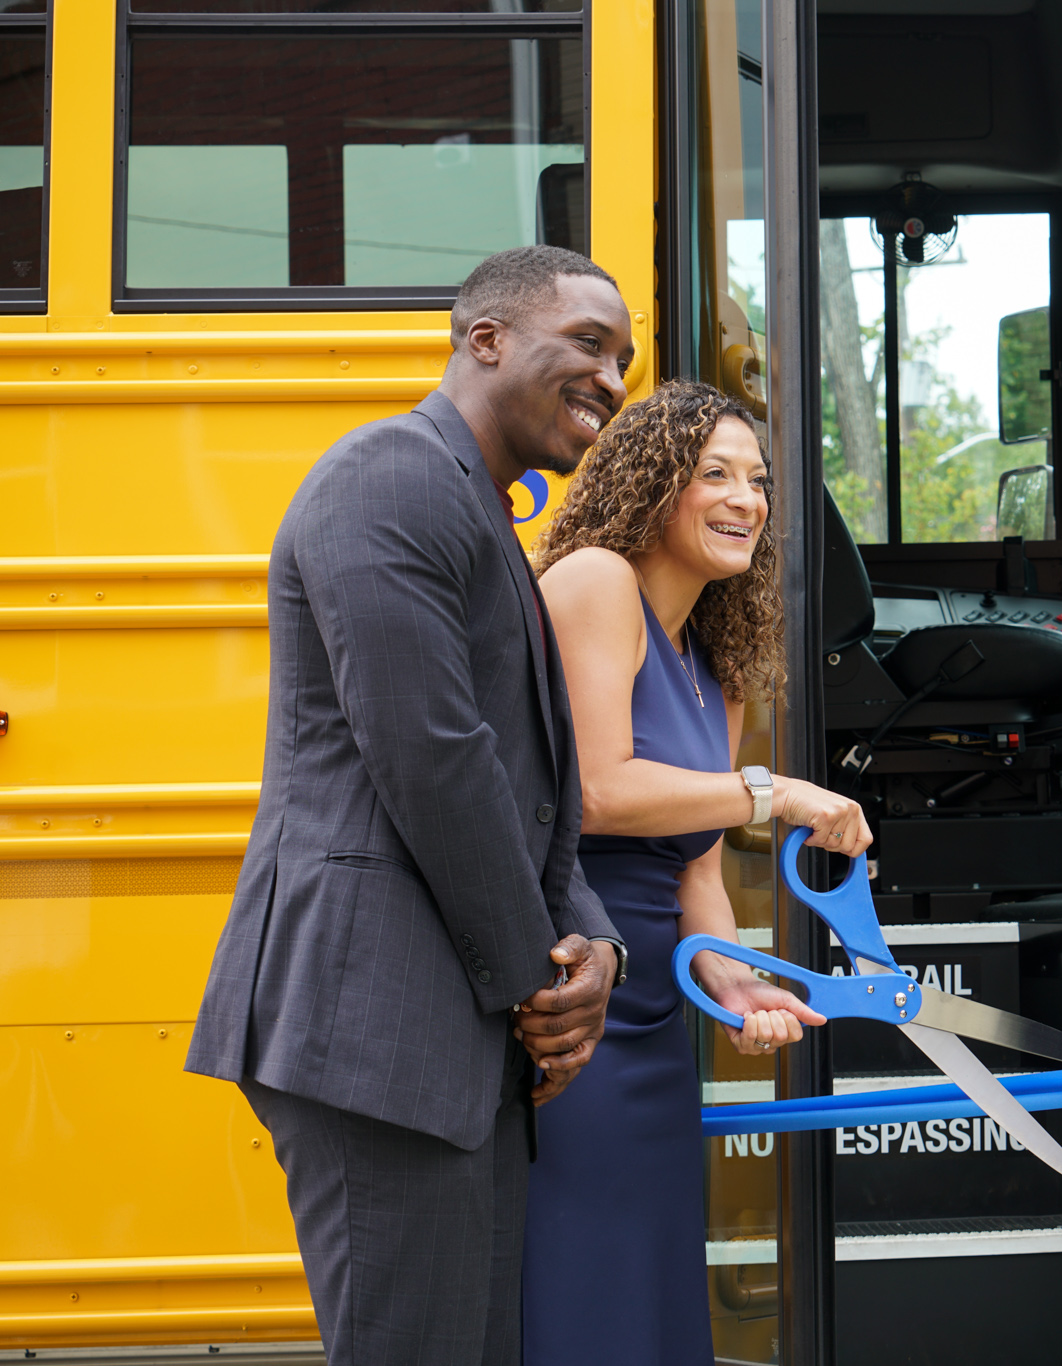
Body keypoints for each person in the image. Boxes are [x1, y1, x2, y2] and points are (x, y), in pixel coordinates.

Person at [186, 245, 635, 1366]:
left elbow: (524, 782)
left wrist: (596, 946)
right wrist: (541, 974)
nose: (613, 378)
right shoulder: (387, 478)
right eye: (587, 343)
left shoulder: (478, 512)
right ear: (483, 340)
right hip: (374, 1032)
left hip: (448, 1034)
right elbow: (430, 758)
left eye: (623, 358)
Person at [522, 377, 867, 1366]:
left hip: (656, 1028)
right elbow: (597, 791)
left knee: (656, 1301)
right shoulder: (593, 582)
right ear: (649, 485)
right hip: (573, 1015)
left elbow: (695, 874)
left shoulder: (711, 656)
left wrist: (733, 979)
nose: (744, 500)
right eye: (713, 473)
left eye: (755, 481)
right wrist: (781, 794)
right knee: (580, 1298)